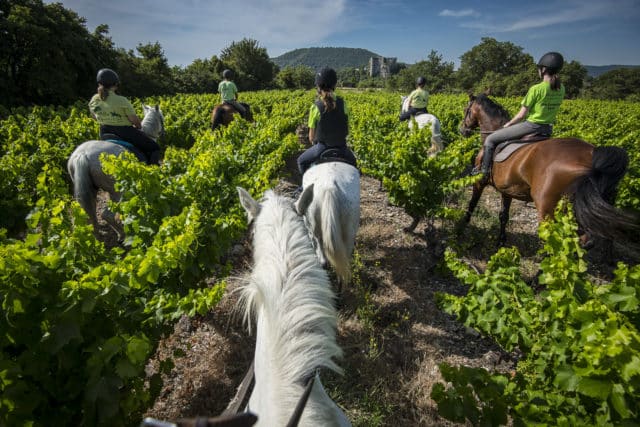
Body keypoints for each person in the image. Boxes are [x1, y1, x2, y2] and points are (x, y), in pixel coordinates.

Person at [473, 52, 566, 180]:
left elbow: (522, 115)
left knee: (490, 140)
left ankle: (483, 174)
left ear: (543, 69)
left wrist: (508, 124)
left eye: (539, 69)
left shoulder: (536, 89)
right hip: (548, 129)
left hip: (531, 126)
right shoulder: (561, 89)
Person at [89, 68, 161, 165]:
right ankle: (153, 171)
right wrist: (138, 127)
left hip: (104, 132)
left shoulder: (94, 99)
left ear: (99, 83)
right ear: (115, 85)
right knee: (154, 148)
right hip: (124, 132)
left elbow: (94, 117)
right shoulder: (121, 100)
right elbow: (134, 121)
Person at [296, 67, 357, 177]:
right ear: (334, 85)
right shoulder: (343, 104)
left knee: (301, 161)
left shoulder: (315, 107)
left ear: (318, 87)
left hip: (321, 148)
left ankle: (304, 189)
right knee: (355, 166)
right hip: (342, 148)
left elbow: (311, 137)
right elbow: (347, 126)